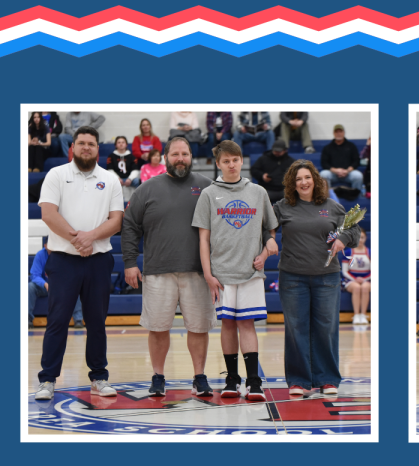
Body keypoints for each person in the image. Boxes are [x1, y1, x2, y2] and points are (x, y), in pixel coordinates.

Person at [33, 127, 124, 401]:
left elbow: (116, 220)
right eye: (82, 143)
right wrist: (78, 240)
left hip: (98, 261)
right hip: (62, 261)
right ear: (72, 147)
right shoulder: (56, 175)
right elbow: (48, 214)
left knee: (96, 322)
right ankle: (47, 380)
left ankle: (99, 376)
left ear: (98, 149)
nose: (87, 147)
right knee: (58, 321)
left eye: (92, 144)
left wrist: (90, 238)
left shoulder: (110, 180)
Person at [120, 136, 216, 397]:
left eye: (185, 154)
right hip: (157, 271)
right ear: (165, 158)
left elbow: (222, 227)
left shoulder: (207, 187)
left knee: (198, 327)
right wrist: (130, 262)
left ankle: (199, 376)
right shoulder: (146, 189)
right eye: (175, 154)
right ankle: (158, 376)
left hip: (197, 271)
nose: (180, 159)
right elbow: (129, 226)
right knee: (158, 327)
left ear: (191, 157)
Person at [194, 140, 278, 401]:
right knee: (228, 325)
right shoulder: (208, 194)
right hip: (221, 274)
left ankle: (254, 381)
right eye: (226, 161)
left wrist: (265, 252)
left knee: (247, 324)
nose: (231, 164)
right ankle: (232, 379)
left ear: (242, 161)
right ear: (218, 164)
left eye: (235, 160)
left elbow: (269, 230)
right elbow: (203, 239)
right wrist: (208, 274)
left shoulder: (258, 192)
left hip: (250, 272)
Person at [273, 160, 359, 396]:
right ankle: (298, 381)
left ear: (315, 180)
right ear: (292, 183)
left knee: (326, 328)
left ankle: (328, 379)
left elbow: (354, 229)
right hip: (292, 278)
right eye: (298, 179)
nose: (303, 182)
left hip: (326, 278)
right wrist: (269, 238)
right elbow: (265, 228)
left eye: (307, 177)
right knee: (296, 328)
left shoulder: (332, 206)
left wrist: (344, 239)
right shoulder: (282, 207)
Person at [320, 124, 364, 192]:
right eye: (336, 132)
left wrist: (347, 170)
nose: (338, 133)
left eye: (340, 131)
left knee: (358, 176)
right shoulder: (327, 148)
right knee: (323, 174)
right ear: (333, 133)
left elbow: (356, 161)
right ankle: (327, 198)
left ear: (344, 133)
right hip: (333, 173)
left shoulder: (351, 146)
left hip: (348, 173)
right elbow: (324, 163)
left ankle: (356, 195)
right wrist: (336, 170)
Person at [343, 228, 371, 325]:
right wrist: (355, 279)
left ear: (366, 238)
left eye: (362, 237)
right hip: (350, 280)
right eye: (358, 237)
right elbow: (345, 271)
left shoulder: (370, 253)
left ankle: (363, 315)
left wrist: (364, 279)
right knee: (356, 287)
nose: (360, 240)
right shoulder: (348, 253)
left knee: (364, 287)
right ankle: (356, 315)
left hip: (367, 280)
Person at [252, 138, 293, 203]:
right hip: (267, 189)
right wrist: (262, 176)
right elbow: (254, 170)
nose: (277, 153)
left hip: (284, 190)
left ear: (285, 151)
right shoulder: (263, 158)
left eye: (279, 151)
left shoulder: (291, 161)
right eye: (275, 151)